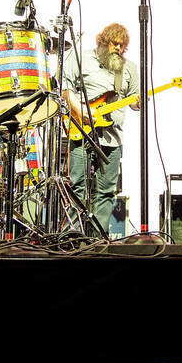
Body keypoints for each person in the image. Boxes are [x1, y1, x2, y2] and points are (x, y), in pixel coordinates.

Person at [62, 23, 139, 234]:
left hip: (112, 137)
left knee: (106, 191)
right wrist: (80, 111)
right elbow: (65, 87)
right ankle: (74, 235)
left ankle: (99, 238)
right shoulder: (82, 58)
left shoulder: (129, 68)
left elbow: (134, 102)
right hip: (82, 131)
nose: (120, 49)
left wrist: (139, 101)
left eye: (123, 46)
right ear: (103, 41)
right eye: (116, 44)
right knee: (77, 185)